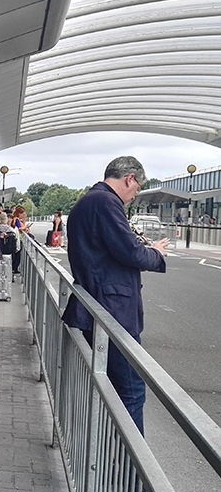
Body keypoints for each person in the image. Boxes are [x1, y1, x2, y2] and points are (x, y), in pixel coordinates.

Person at [61, 156, 169, 435]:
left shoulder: (89, 201)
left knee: (113, 388)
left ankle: (111, 459)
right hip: (113, 311)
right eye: (136, 188)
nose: (134, 196)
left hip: (97, 304)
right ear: (129, 178)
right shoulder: (107, 203)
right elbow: (130, 251)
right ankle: (129, 473)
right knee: (131, 390)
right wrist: (155, 253)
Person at [10, 206, 32, 275]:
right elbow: (19, 228)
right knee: (17, 255)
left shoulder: (17, 220)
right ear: (19, 213)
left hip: (19, 238)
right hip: (18, 239)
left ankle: (15, 268)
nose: (23, 215)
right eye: (22, 214)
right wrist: (26, 227)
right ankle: (14, 268)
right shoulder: (16, 219)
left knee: (17, 255)